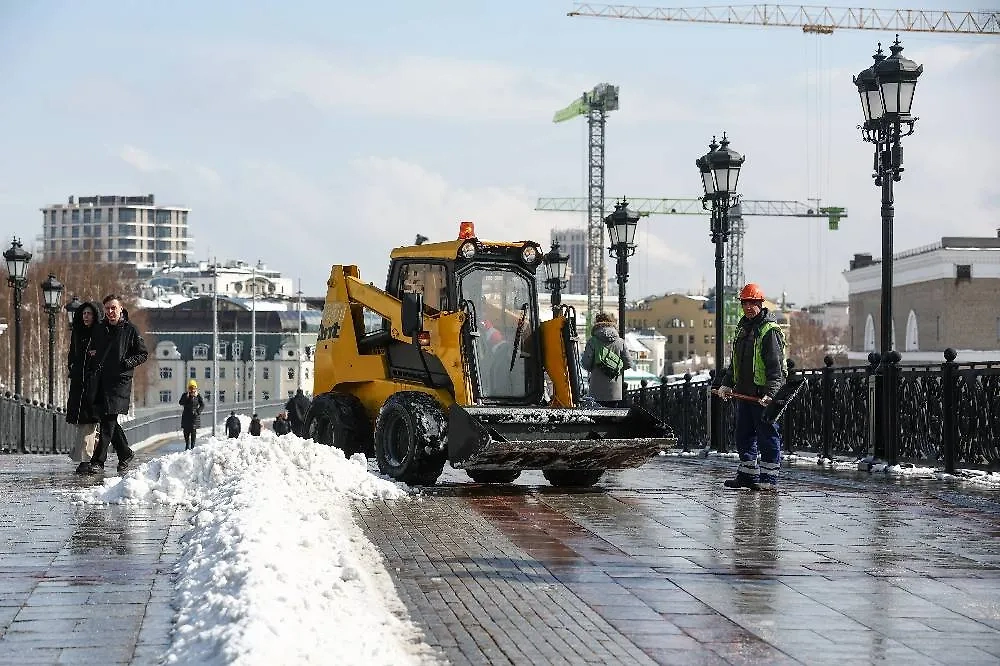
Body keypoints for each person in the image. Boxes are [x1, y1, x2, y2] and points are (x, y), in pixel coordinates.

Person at [716, 283, 787, 492]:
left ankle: (769, 479)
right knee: (744, 435)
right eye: (745, 303)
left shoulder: (768, 330)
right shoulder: (743, 327)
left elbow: (776, 367)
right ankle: (747, 475)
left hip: (762, 395)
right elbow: (735, 363)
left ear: (760, 304)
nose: (748, 307)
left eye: (752, 303)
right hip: (745, 394)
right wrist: (727, 384)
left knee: (767, 435)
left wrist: (771, 394)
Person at [83, 295, 148, 476]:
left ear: (121, 309)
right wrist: (92, 356)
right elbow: (93, 351)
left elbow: (143, 354)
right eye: (107, 309)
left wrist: (126, 363)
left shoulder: (131, 330)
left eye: (113, 308)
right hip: (102, 382)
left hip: (119, 383)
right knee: (107, 420)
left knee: (108, 420)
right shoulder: (100, 329)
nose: (110, 312)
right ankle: (125, 453)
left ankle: (98, 461)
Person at [66, 301, 102, 474]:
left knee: (90, 422)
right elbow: (72, 353)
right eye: (84, 313)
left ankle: (86, 459)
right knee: (83, 422)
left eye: (89, 313)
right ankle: (86, 456)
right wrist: (72, 366)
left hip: (93, 382)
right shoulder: (78, 333)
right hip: (78, 383)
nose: (86, 316)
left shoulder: (99, 333)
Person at [581, 312, 633, 407]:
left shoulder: (592, 341)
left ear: (596, 324)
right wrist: (616, 367)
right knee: (613, 418)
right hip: (615, 391)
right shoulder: (620, 342)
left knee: (597, 419)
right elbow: (629, 363)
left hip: (596, 390)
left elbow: (585, 364)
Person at [179, 379, 204, 450]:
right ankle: (187, 445)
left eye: (194, 388)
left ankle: (193, 447)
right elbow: (181, 402)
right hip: (186, 416)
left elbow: (202, 405)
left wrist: (198, 412)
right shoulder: (185, 395)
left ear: (196, 388)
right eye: (191, 388)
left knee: (193, 431)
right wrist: (186, 396)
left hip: (194, 417)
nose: (192, 390)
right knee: (186, 431)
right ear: (188, 388)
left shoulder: (198, 396)